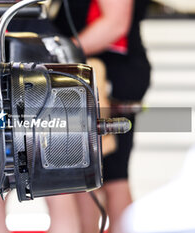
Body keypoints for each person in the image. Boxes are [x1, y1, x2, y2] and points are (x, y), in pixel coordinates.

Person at [49, 0, 151, 232]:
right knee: (88, 175)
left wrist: (56, 51)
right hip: (93, 70)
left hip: (108, 72)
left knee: (110, 174)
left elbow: (115, 24)